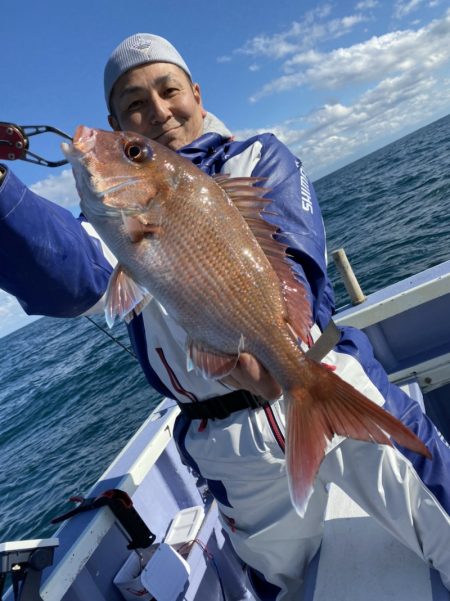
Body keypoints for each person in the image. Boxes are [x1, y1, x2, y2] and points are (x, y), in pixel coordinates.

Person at [1, 33, 450, 600]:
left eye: (168, 91)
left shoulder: (256, 156)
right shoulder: (109, 218)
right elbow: (69, 278)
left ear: (196, 91)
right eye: (135, 105)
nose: (158, 111)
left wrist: (284, 362)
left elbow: (294, 251)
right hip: (229, 446)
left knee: (440, 511)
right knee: (284, 582)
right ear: (118, 120)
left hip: (323, 373)